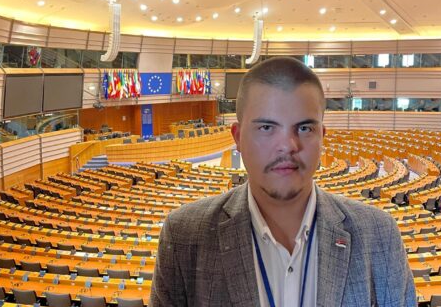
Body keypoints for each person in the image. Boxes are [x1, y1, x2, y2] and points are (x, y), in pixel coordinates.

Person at [149, 57, 416, 307]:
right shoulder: (184, 236)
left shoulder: (379, 235)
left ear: (322, 136)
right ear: (238, 137)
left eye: (304, 128)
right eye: (266, 127)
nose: (287, 146)